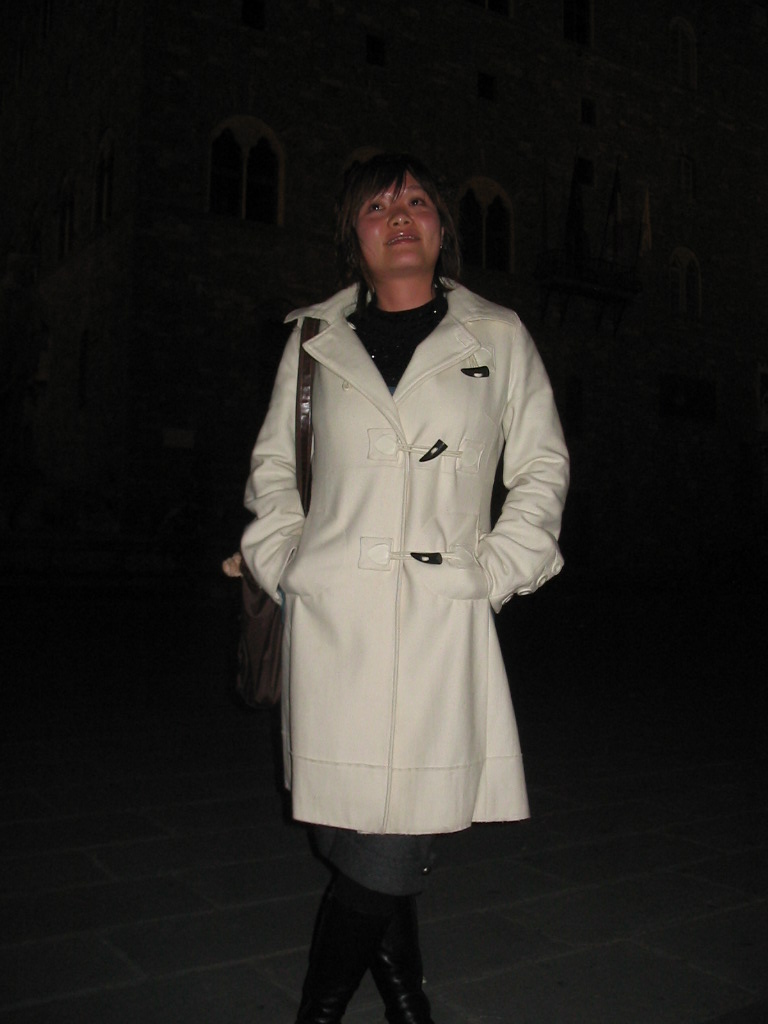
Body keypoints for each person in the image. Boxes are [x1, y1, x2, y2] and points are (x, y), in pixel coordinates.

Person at [235, 152, 569, 1023]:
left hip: (438, 621)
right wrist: (285, 562)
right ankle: (410, 1006)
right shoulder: (313, 340)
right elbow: (275, 470)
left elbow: (541, 467)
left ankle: (318, 1013)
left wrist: (495, 571)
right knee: (352, 835)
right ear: (353, 233)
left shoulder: (496, 337)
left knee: (385, 847)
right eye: (378, 206)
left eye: (417, 202)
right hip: (334, 624)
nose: (400, 216)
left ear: (442, 227)